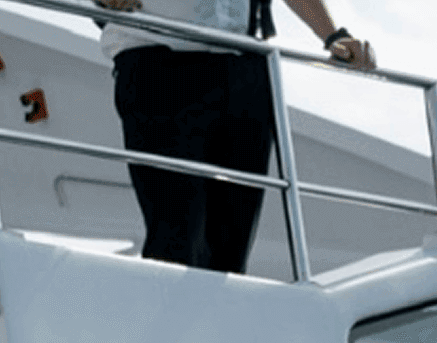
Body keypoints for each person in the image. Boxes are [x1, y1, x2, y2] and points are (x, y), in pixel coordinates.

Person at [96, 0, 374, 273]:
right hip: (159, 64)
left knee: (231, 250)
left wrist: (333, 35)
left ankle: (220, 317)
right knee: (176, 239)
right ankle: (176, 316)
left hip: (243, 70)